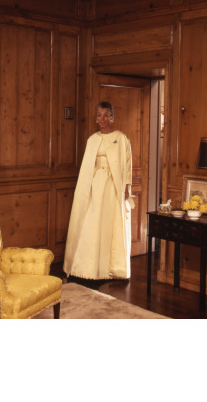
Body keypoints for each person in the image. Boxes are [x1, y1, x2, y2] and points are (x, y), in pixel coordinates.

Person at [63, 102, 133, 280]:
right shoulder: (92, 139)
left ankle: (110, 267)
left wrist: (127, 186)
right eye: (99, 115)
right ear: (96, 118)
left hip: (112, 184)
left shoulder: (121, 138)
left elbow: (127, 164)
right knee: (92, 220)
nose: (102, 119)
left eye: (106, 115)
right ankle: (87, 266)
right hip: (95, 183)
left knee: (110, 221)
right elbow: (87, 166)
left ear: (112, 117)